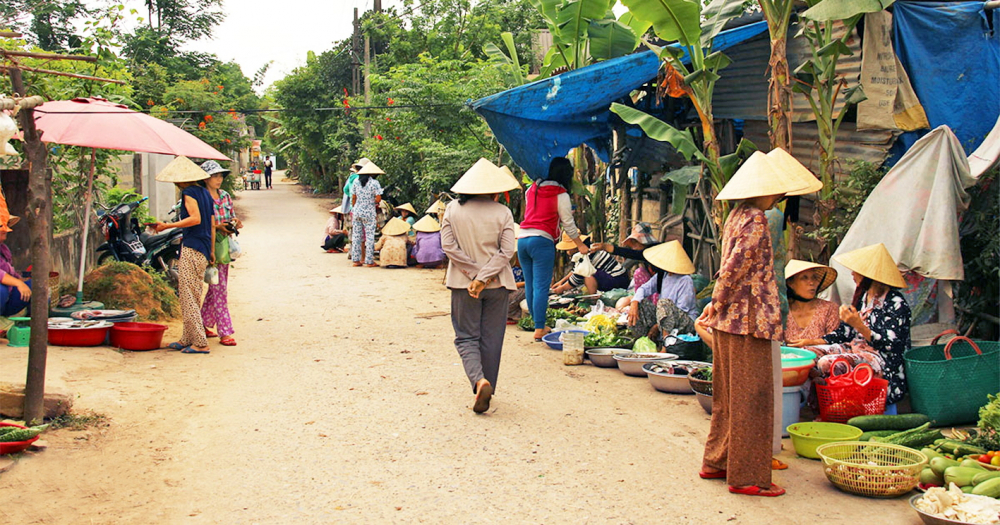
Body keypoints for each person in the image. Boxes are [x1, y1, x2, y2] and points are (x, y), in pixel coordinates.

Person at [697, 150, 809, 497]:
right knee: (753, 399)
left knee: (729, 396)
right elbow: (735, 267)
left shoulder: (736, 215)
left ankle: (717, 460)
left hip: (731, 319)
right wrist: (716, 302)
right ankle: (747, 476)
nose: (780, 196)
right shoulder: (758, 219)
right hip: (750, 320)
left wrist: (717, 307)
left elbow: (727, 266)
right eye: (777, 190)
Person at [441, 158, 519, 414]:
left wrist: (474, 276)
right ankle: (489, 387)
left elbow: (449, 247)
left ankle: (478, 380)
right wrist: (485, 277)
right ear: (494, 189)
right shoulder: (503, 212)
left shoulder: (452, 210)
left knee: (466, 336)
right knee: (492, 338)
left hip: (464, 285)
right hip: (498, 285)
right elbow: (507, 250)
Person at [819, 243, 912, 414]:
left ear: (870, 276)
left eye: (856, 271)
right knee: (811, 354)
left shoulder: (896, 303)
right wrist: (814, 342)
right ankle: (827, 407)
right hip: (856, 348)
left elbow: (892, 345)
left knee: (826, 363)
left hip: (884, 361)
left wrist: (859, 326)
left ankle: (843, 408)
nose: (852, 274)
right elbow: (846, 332)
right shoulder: (864, 297)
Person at [517, 157, 588, 341]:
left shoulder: (532, 189)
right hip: (542, 241)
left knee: (531, 285)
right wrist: (580, 244)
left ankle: (537, 323)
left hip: (523, 239)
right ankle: (539, 328)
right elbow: (568, 224)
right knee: (541, 286)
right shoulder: (561, 194)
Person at [153, 156, 216, 354]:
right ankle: (187, 338)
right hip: (204, 248)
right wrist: (212, 250)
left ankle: (199, 341)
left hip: (192, 246)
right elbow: (212, 223)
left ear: (180, 180)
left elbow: (195, 219)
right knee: (194, 294)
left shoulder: (188, 193)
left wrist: (167, 225)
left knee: (187, 295)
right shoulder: (205, 193)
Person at [199, 160, 242, 347]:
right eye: (214, 176)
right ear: (205, 178)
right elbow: (200, 222)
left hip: (223, 245)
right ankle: (225, 331)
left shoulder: (224, 196)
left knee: (216, 285)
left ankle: (203, 323)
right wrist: (217, 226)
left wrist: (234, 224)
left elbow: (231, 216)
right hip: (206, 245)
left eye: (220, 176)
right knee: (219, 288)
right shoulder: (200, 197)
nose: (218, 179)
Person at [627, 241, 698, 340]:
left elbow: (682, 310)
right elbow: (644, 288)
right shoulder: (663, 275)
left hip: (684, 323)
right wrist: (634, 302)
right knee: (640, 302)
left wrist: (657, 326)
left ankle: (665, 346)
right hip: (664, 319)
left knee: (664, 303)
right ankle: (640, 340)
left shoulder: (685, 280)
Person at [782, 260, 840, 346]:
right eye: (804, 278)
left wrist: (812, 343)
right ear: (790, 283)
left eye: (814, 278)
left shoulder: (829, 308)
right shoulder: (781, 311)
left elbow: (836, 343)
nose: (811, 283)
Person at [551, 235, 629, 295]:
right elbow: (575, 270)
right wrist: (561, 282)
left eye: (568, 249)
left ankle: (593, 301)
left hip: (618, 280)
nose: (567, 252)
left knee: (588, 275)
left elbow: (577, 278)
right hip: (620, 277)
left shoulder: (588, 255)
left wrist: (560, 289)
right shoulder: (587, 251)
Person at [0, 193, 30, 319]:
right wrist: (18, 283)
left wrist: (22, 280)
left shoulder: (3, 249)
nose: (4, 229)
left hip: (8, 296)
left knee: (37, 287)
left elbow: (9, 272)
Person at [349, 161, 384, 267]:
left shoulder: (355, 181)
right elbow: (378, 198)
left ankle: (356, 260)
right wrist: (372, 201)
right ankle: (369, 261)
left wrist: (356, 207)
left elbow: (353, 197)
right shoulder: (374, 183)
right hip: (369, 212)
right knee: (369, 236)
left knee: (356, 236)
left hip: (357, 212)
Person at [507, 251, 526, 323]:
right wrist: (526, 283)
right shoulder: (515, 270)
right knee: (525, 291)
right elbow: (511, 285)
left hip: (507, 299)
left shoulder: (520, 270)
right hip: (509, 298)